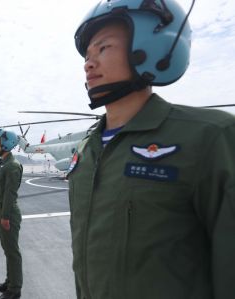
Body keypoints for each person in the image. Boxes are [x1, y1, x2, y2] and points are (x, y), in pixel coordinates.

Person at [68, 0, 235, 299]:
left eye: (103, 48)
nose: (88, 63)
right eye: (87, 54)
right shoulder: (88, 148)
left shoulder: (211, 137)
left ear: (152, 46)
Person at [0, 129, 24, 299]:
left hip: (7, 213)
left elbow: (10, 194)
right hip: (0, 210)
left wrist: (5, 217)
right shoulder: (3, 163)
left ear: (6, 143)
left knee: (12, 252)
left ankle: (15, 289)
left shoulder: (12, 166)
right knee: (7, 250)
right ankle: (9, 282)